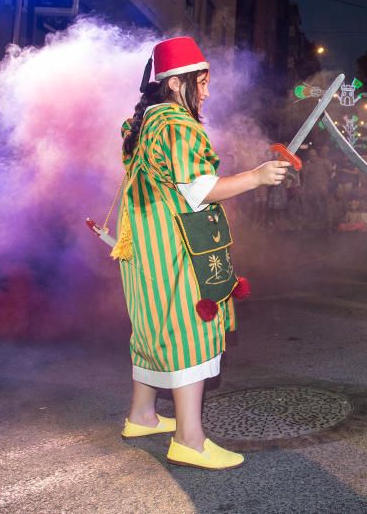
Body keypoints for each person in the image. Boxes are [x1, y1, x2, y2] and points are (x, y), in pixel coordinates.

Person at [114, 37, 289, 469]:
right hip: (173, 246)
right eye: (202, 82)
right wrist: (258, 176)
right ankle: (189, 440)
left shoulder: (143, 122)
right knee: (189, 330)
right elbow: (199, 190)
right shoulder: (177, 125)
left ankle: (141, 414)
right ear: (176, 83)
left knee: (152, 327)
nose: (207, 92)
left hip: (144, 245)